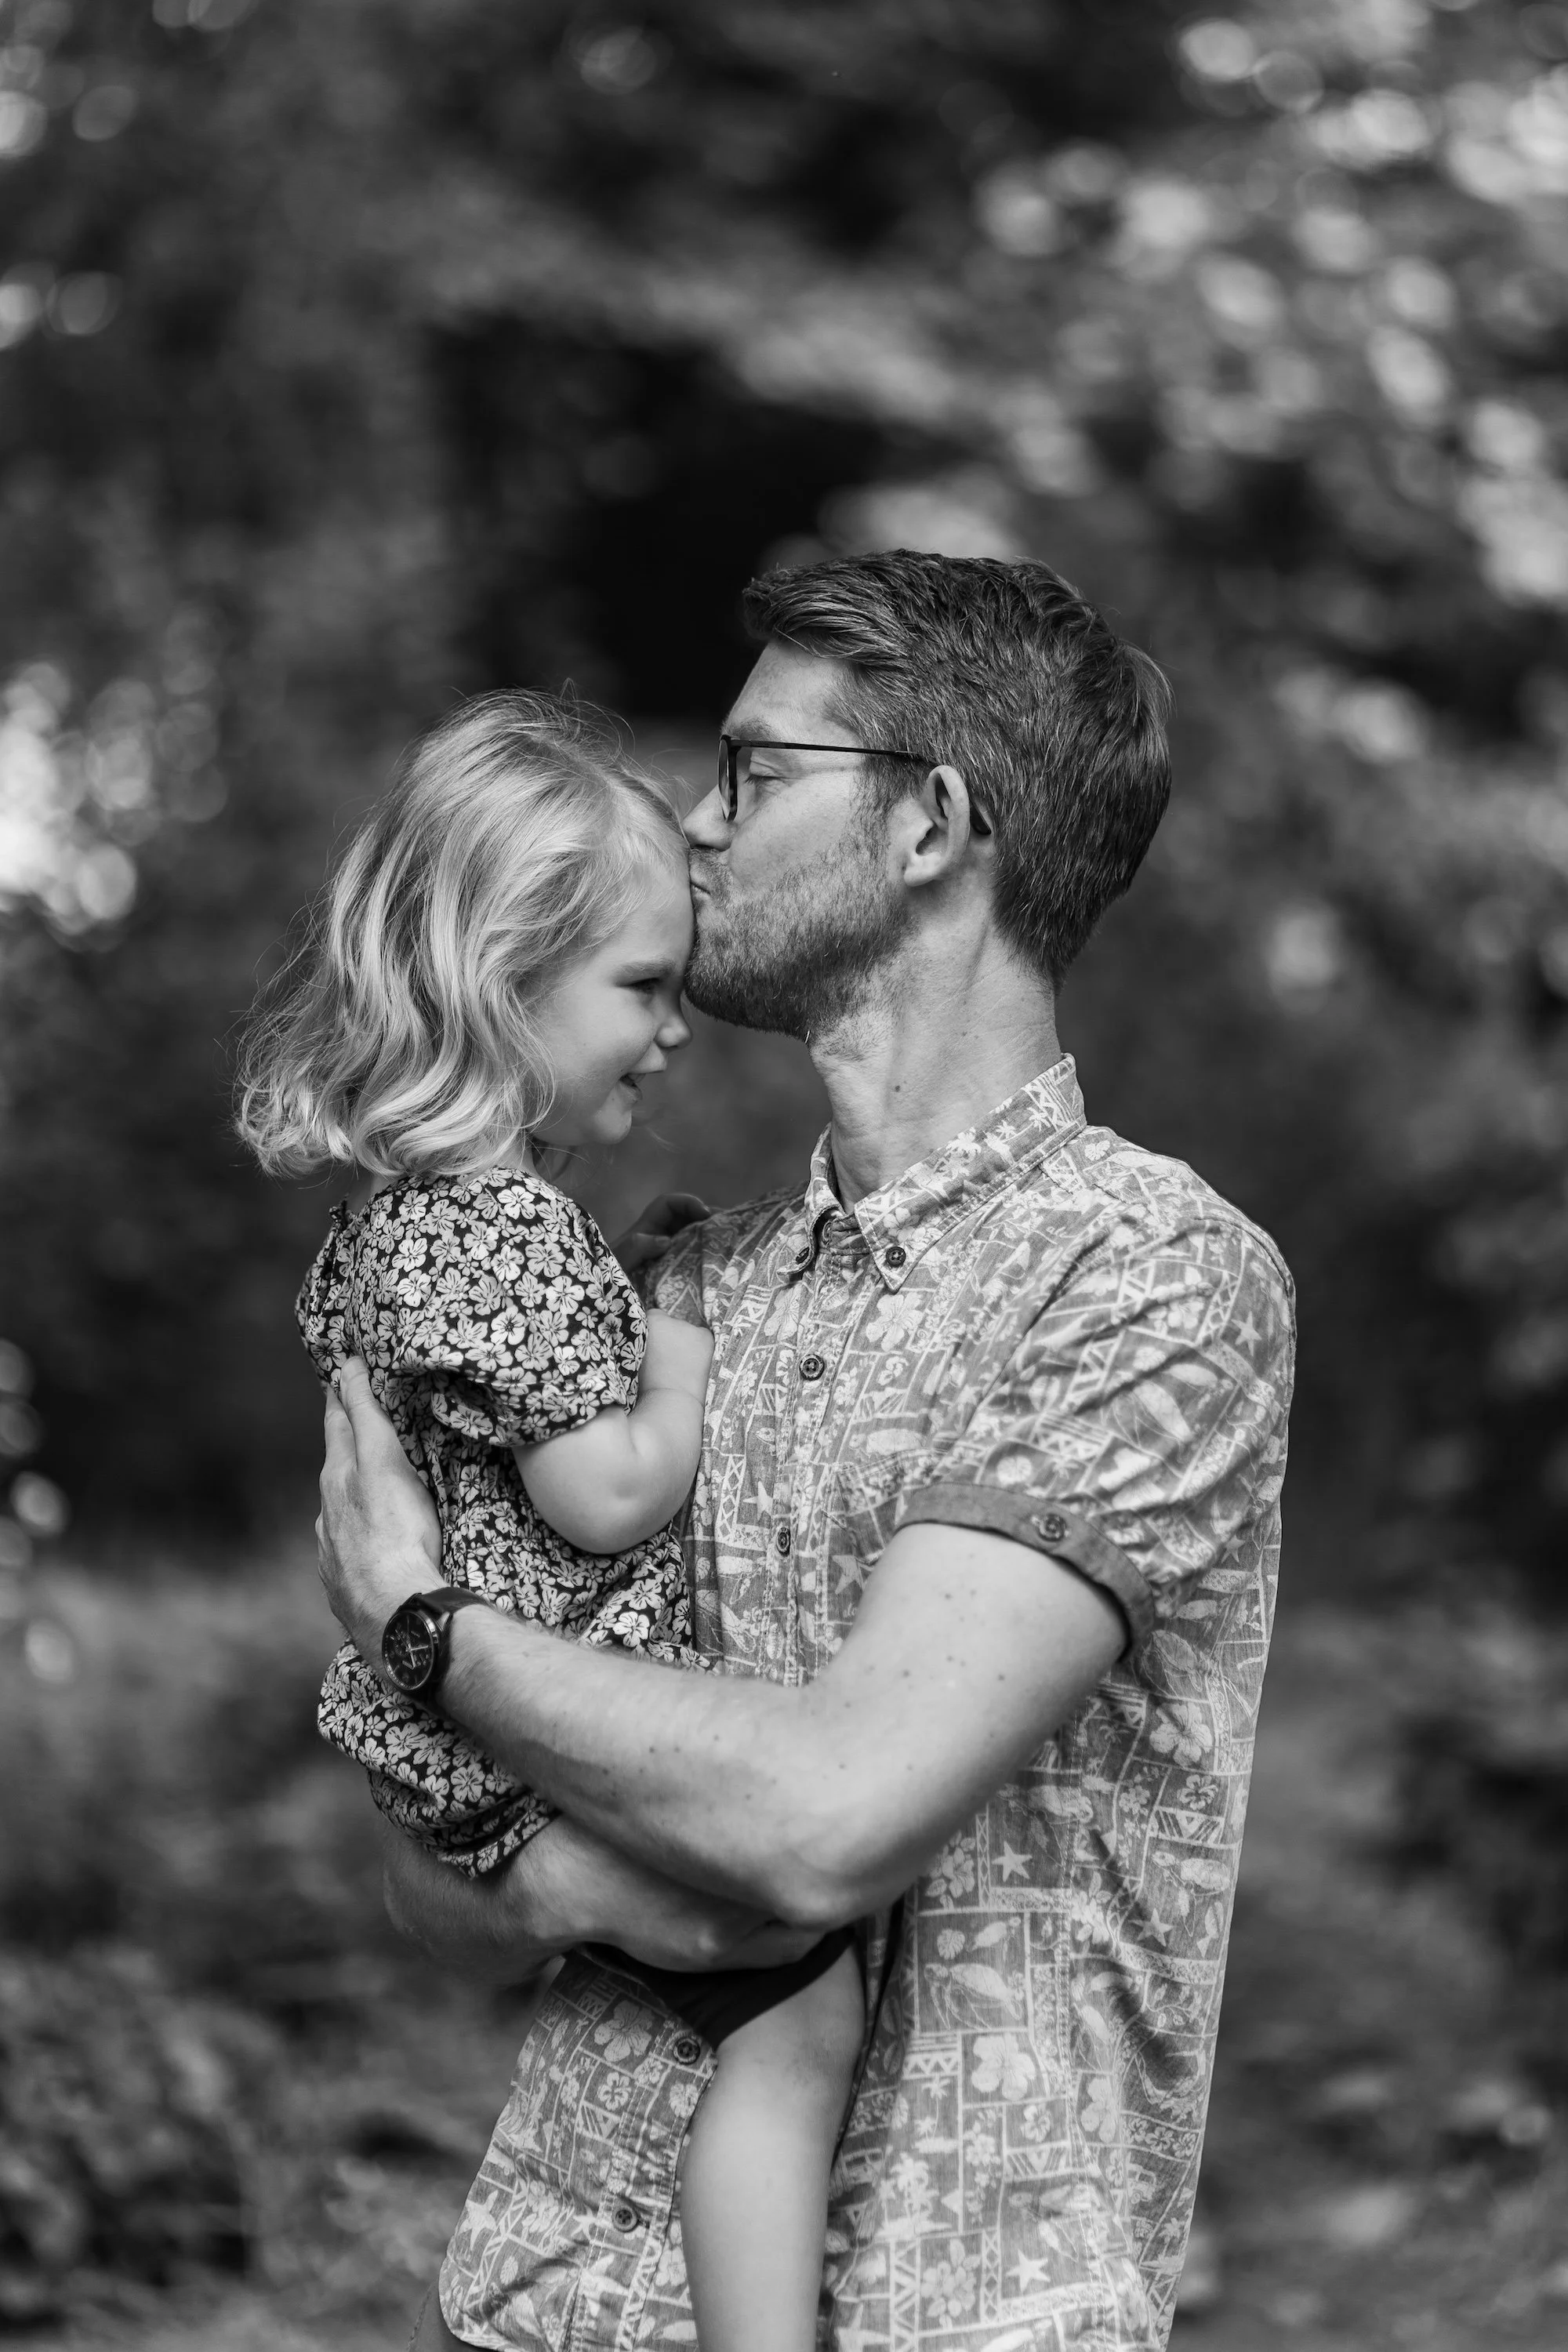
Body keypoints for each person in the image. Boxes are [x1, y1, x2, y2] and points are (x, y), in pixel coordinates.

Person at [317, 550, 1297, 2352]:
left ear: (930, 822)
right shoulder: (659, 1292)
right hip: (552, 2301)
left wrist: (427, 1628)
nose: (697, 824)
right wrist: (553, 1875)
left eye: (755, 773)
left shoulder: (1144, 1277)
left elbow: (828, 1820)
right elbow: (423, 1863)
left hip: (955, 2314)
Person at [235, 693, 866, 2352]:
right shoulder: (504, 1230)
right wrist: (682, 1349)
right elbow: (604, 1498)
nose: (675, 1031)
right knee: (797, 2018)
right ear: (504, 982)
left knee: (746, 1996)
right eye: (642, 988)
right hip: (527, 1718)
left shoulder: (409, 1219)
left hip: (451, 1741)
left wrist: (617, 1294)